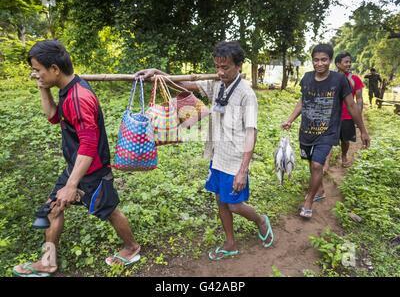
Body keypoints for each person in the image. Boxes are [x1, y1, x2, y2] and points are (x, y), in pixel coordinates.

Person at [135, 41, 273, 260]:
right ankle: (230, 243)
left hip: (236, 158)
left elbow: (251, 132)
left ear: (238, 66)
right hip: (218, 154)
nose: (220, 72)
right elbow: (184, 86)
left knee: (235, 205)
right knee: (220, 200)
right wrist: (157, 73)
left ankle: (260, 220)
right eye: (217, 66)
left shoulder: (247, 95)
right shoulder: (217, 85)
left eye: (225, 67)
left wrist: (243, 170)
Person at [13, 40, 141, 277]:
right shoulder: (67, 90)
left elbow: (90, 144)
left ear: (54, 69)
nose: (35, 74)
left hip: (92, 170)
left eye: (38, 70)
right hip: (76, 166)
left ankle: (132, 247)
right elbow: (53, 116)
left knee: (110, 210)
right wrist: (43, 88)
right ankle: (48, 262)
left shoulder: (78, 98)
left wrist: (72, 185)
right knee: (53, 209)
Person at [282, 44, 370, 219]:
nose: (319, 63)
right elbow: (302, 101)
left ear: (330, 61)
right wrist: (290, 119)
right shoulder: (306, 78)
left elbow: (351, 105)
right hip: (306, 131)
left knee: (317, 165)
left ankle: (309, 201)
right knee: (311, 163)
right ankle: (320, 188)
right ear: (312, 60)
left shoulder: (339, 80)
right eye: (316, 60)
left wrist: (363, 130)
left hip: (328, 132)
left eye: (324, 60)